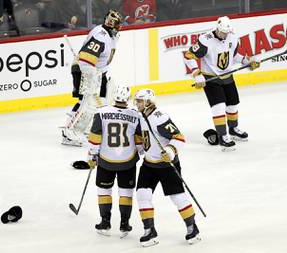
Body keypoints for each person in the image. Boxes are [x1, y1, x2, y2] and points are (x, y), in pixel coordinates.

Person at [134, 89, 201, 247]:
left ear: (148, 102)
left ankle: (192, 227)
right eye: (136, 100)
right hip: (149, 164)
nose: (137, 103)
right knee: (142, 194)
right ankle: (149, 230)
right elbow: (141, 135)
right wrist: (140, 148)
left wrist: (171, 151)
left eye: (139, 101)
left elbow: (179, 137)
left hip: (167, 166)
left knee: (177, 196)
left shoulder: (160, 118)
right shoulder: (141, 116)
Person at [184, 16, 260, 151]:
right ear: (217, 29)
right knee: (218, 107)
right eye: (222, 32)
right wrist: (196, 73)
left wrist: (247, 61)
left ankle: (233, 129)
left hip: (227, 76)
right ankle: (223, 136)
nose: (224, 35)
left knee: (233, 104)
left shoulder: (232, 37)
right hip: (211, 78)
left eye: (226, 32)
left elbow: (234, 56)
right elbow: (188, 56)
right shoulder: (205, 40)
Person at [87, 85, 142, 237]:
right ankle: (125, 224)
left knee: (104, 191)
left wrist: (92, 155)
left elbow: (94, 137)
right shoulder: (136, 115)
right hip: (128, 161)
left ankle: (105, 223)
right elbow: (139, 140)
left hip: (106, 160)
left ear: (114, 97)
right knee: (126, 193)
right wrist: (142, 152)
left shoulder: (101, 112)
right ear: (128, 99)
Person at [62, 9, 123, 147]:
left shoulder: (110, 35)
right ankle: (70, 132)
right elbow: (86, 58)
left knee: (96, 103)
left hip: (98, 72)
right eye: (117, 24)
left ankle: (82, 126)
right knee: (87, 103)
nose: (119, 27)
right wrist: (91, 77)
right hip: (86, 70)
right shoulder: (101, 35)